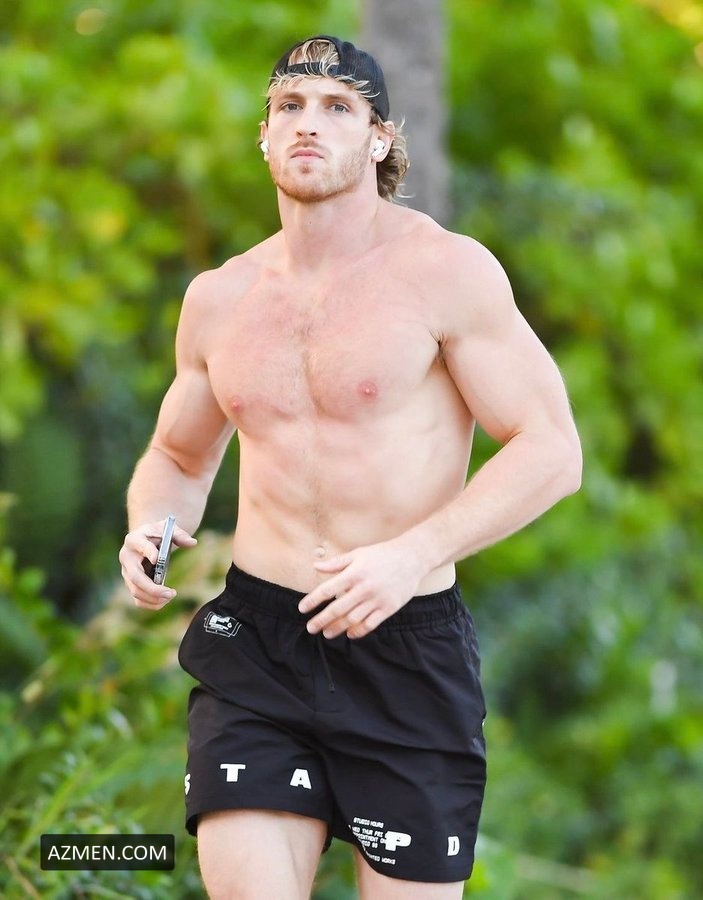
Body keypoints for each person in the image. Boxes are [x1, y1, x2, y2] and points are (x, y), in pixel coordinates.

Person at [119, 34, 582, 900]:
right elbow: (178, 455)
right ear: (263, 135)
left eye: (338, 107)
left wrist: (411, 556)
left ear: (378, 139)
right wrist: (154, 521)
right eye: (289, 106)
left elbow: (551, 450)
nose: (308, 123)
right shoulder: (220, 297)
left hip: (404, 647)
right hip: (257, 644)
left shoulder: (445, 272)